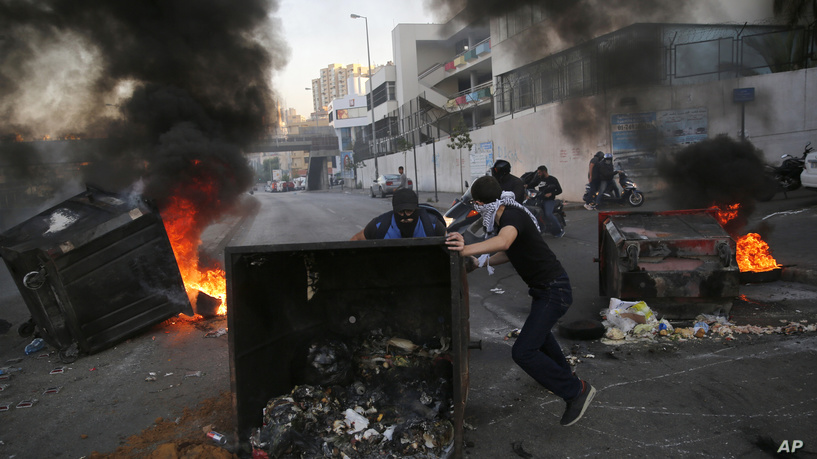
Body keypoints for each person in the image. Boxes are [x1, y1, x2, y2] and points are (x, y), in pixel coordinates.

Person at [445, 175, 596, 426]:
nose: (476, 210)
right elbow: (508, 251)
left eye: (476, 206)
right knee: (541, 337)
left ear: (481, 203)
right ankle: (564, 375)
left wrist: (466, 249)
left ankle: (576, 391)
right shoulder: (506, 214)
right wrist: (479, 262)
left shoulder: (512, 217)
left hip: (553, 290)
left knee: (523, 352)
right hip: (545, 289)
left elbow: (504, 241)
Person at [350, 188, 445, 240]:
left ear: (416, 209)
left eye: (409, 211)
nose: (405, 217)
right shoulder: (379, 226)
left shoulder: (432, 226)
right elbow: (355, 241)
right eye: (400, 212)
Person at [524, 165, 564, 237]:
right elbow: (531, 185)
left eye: (539, 173)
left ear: (544, 172)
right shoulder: (539, 179)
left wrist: (551, 194)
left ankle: (560, 230)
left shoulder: (552, 179)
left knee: (548, 214)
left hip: (549, 200)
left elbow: (560, 190)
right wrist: (525, 186)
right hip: (540, 200)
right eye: (538, 173)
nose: (538, 174)